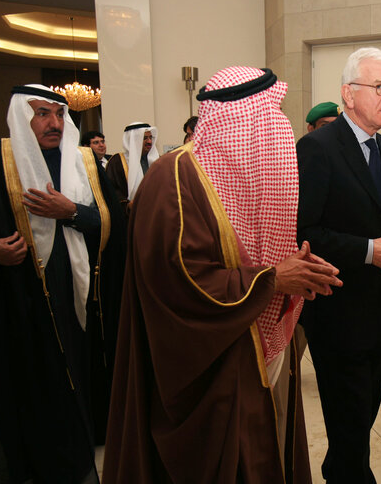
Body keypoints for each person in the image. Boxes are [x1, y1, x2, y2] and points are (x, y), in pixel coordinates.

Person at [102, 66, 342, 484]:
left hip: (261, 349)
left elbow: (265, 249)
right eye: (271, 112)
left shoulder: (246, 173)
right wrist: (271, 280)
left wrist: (295, 272)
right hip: (211, 367)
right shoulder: (172, 179)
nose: (280, 122)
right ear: (242, 118)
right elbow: (178, 284)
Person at [296, 47, 381, 483]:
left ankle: (339, 469)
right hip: (336, 314)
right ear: (348, 94)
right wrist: (370, 251)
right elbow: (306, 232)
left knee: (360, 419)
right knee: (351, 434)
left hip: (379, 315)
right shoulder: (316, 148)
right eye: (380, 87)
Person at [0, 85, 124, 483]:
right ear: (21, 118)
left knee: (74, 381)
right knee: (31, 387)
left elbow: (115, 225)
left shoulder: (86, 162)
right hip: (18, 302)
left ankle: (77, 463)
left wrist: (71, 213)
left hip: (79, 298)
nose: (53, 123)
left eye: (58, 114)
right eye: (41, 114)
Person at [105, 121, 159, 211]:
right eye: (145, 138)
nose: (149, 142)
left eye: (151, 137)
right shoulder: (117, 161)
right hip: (129, 216)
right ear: (133, 140)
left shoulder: (157, 160)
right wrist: (127, 205)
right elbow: (111, 190)